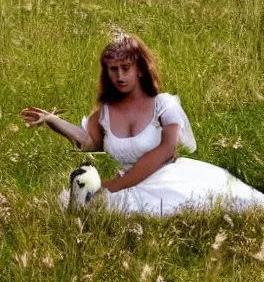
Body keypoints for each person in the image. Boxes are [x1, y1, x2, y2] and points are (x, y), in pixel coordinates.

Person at [21, 32, 264, 216]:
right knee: (86, 207)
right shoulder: (105, 112)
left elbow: (165, 150)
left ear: (139, 70)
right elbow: (88, 141)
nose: (119, 76)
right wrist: (52, 120)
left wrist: (117, 184)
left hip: (169, 179)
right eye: (113, 70)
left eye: (125, 68)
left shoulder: (163, 105)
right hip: (126, 183)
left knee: (217, 205)